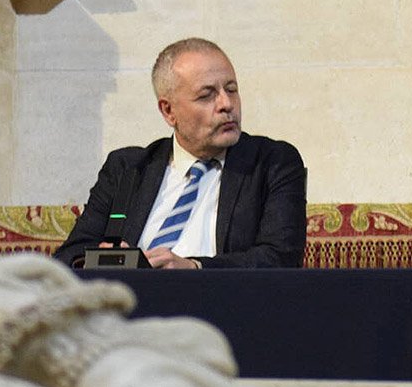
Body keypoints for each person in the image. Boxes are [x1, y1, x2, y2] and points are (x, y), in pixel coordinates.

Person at [54, 38, 306, 268]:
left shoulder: (272, 163)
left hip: (222, 300)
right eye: (206, 95)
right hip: (131, 300)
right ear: (168, 111)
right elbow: (69, 256)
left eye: (231, 89)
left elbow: (280, 257)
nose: (226, 104)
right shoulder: (128, 168)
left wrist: (194, 268)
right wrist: (101, 261)